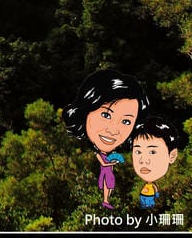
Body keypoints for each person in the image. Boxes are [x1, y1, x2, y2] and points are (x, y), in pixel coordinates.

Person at [63, 69, 150, 210]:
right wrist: (112, 163)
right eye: (106, 115)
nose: (113, 130)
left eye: (126, 122)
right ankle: (105, 200)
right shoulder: (81, 152)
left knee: (109, 185)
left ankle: (106, 200)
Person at [131, 115, 183, 210]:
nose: (143, 160)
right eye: (138, 152)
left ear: (172, 156)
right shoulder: (132, 184)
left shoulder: (177, 187)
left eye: (152, 152)